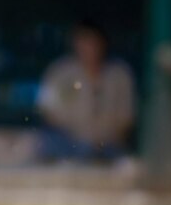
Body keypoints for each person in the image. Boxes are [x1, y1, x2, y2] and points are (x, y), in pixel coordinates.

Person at [37, 20, 135, 162]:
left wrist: (99, 141)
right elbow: (48, 112)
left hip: (109, 148)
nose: (89, 47)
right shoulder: (59, 72)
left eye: (93, 41)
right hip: (69, 146)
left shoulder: (120, 74)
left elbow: (126, 119)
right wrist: (80, 139)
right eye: (84, 41)